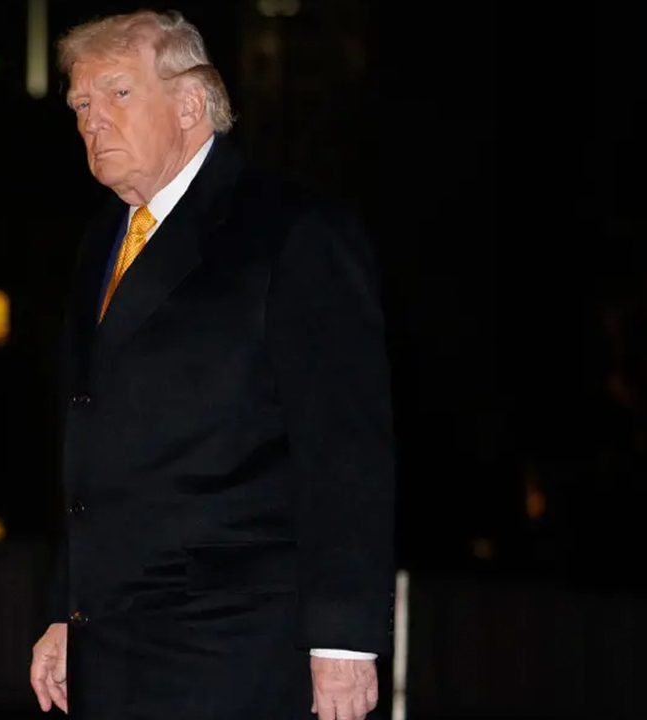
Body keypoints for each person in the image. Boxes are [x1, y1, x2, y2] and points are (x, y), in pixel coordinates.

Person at [29, 9, 395, 720]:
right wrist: (65, 611)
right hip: (110, 641)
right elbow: (91, 446)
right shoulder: (102, 241)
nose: (93, 120)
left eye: (117, 93)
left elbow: (345, 447)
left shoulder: (291, 230)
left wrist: (345, 641)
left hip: (236, 644)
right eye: (79, 104)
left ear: (191, 103)